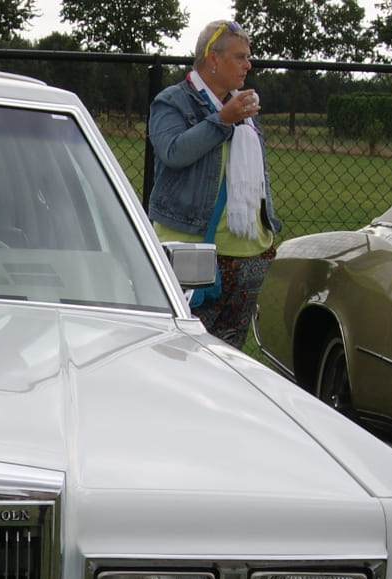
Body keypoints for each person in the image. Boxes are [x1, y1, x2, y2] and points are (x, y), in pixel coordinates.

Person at [147, 19, 281, 350]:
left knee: (230, 356)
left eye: (248, 57)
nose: (248, 65)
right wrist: (222, 120)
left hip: (250, 256)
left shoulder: (245, 107)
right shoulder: (172, 102)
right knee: (180, 352)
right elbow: (173, 152)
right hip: (193, 256)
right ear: (213, 58)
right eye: (240, 57)